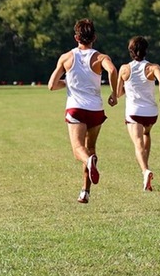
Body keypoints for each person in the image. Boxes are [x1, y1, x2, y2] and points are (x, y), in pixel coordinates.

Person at [47, 18, 118, 204]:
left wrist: (69, 82)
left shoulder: (66, 57)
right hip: (96, 110)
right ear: (94, 37)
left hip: (76, 109)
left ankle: (88, 163)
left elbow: (51, 85)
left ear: (76, 37)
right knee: (91, 149)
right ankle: (85, 192)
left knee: (79, 150)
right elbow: (112, 71)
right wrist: (114, 93)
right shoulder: (101, 58)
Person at [115, 36, 160, 191]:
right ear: (146, 50)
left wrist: (128, 89)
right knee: (146, 134)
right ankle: (146, 165)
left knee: (138, 143)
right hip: (151, 112)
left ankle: (145, 171)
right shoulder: (153, 67)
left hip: (134, 112)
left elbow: (118, 93)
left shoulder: (124, 69)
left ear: (130, 51)